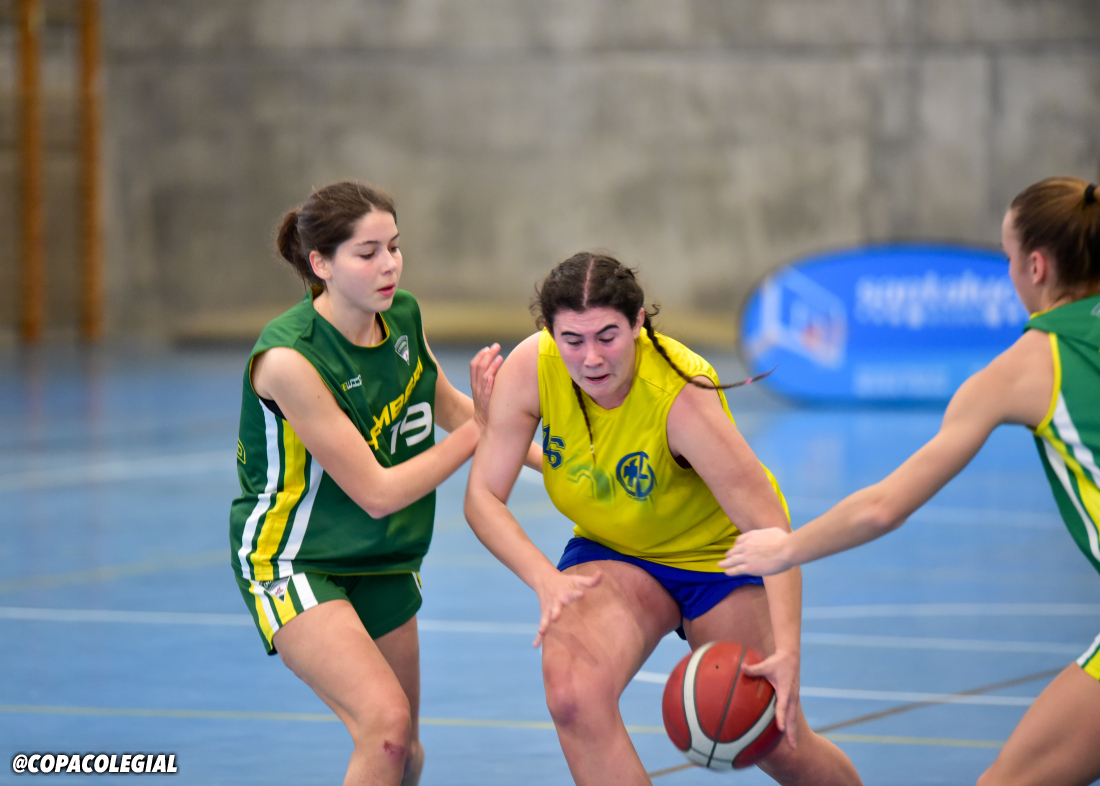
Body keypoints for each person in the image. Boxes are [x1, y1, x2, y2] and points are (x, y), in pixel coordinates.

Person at [722, 175, 1100, 786]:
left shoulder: (1028, 366)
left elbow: (883, 507)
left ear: (1036, 266)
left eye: (1008, 258)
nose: (1009, 274)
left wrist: (785, 548)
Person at [463, 252, 863, 785]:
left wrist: (789, 652)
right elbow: (483, 496)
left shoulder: (681, 398)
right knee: (573, 697)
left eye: (607, 336)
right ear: (549, 333)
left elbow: (771, 529)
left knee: (776, 739)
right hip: (616, 551)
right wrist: (545, 579)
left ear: (637, 323)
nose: (591, 358)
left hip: (719, 560)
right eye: (572, 340)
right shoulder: (533, 367)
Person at [229, 181, 541, 786]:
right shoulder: (290, 360)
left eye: (394, 247)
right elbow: (378, 493)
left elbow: (450, 407)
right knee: (385, 728)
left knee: (407, 753)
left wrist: (559, 464)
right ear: (321, 264)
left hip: (385, 556)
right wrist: (483, 428)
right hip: (294, 559)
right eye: (367, 253)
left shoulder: (401, 317)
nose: (389, 264)